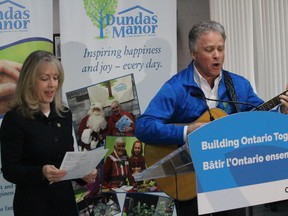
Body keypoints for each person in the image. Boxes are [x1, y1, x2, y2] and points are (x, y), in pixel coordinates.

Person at [135, 20, 288, 216]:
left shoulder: (240, 85)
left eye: (220, 49)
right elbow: (144, 127)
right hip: (189, 180)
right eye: (209, 50)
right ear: (193, 53)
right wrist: (186, 131)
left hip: (228, 177)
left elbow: (258, 119)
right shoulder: (176, 88)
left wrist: (282, 111)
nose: (217, 55)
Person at [0, 50, 97, 216]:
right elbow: (10, 170)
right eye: (45, 79)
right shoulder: (14, 119)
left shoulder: (64, 114)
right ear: (29, 82)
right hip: (33, 207)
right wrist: (41, 172)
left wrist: (83, 173)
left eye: (56, 77)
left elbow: (66, 161)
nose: (52, 84)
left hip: (65, 204)